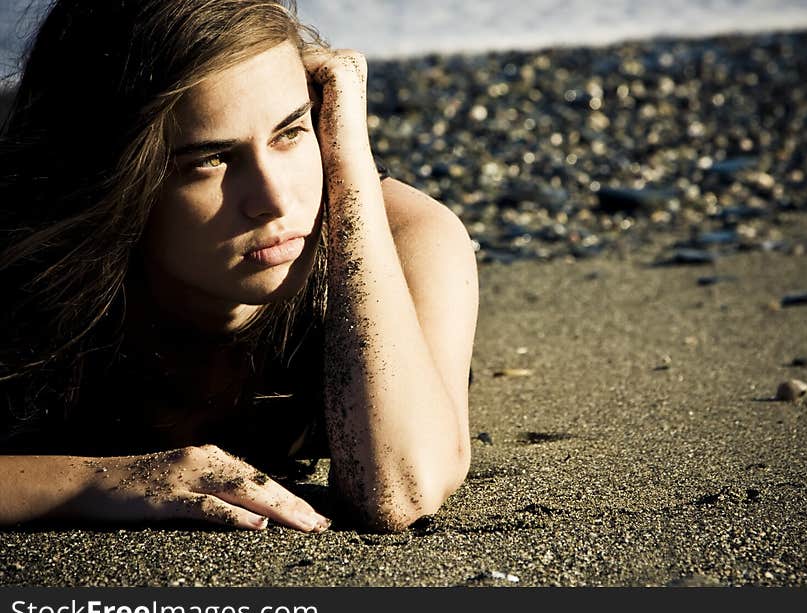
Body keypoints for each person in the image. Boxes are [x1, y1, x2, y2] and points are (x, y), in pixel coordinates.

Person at [0, 0, 478, 533]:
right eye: (210, 159)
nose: (274, 200)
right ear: (112, 177)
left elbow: (399, 492)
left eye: (291, 132)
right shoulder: (24, 263)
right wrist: (101, 481)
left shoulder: (407, 235)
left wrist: (349, 166)